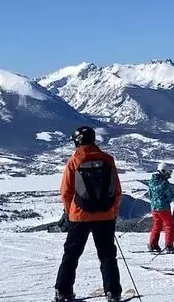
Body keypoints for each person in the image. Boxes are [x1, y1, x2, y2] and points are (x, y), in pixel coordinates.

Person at [54, 126, 123, 302]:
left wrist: (71, 213)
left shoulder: (75, 160)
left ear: (77, 141)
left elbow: (65, 192)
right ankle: (113, 292)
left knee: (71, 255)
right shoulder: (108, 159)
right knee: (107, 255)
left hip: (79, 215)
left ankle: (63, 292)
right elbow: (117, 190)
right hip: (106, 215)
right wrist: (112, 211)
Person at [147, 162, 174, 253]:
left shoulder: (151, 181)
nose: (169, 174)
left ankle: (153, 244)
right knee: (169, 226)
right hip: (164, 208)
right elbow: (170, 196)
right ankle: (169, 246)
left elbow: (150, 194)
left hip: (154, 207)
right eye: (168, 172)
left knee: (157, 225)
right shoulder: (164, 183)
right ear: (163, 171)